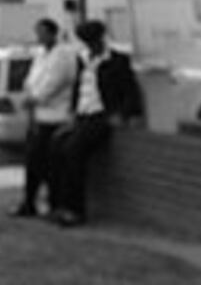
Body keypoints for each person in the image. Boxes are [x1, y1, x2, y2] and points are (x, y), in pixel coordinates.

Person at [46, 19, 143, 227]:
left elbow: (130, 93)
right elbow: (78, 89)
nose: (89, 46)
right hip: (82, 114)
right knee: (56, 146)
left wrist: (122, 115)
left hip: (101, 115)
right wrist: (72, 112)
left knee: (74, 151)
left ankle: (75, 209)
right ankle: (57, 204)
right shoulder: (83, 60)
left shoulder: (117, 61)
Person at [7, 17, 77, 219]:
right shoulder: (40, 54)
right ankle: (29, 202)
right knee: (32, 163)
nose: (38, 37)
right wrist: (30, 95)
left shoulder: (63, 54)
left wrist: (36, 98)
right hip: (37, 116)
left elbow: (55, 82)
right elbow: (31, 79)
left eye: (41, 33)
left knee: (52, 164)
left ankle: (55, 204)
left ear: (52, 33)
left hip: (54, 117)